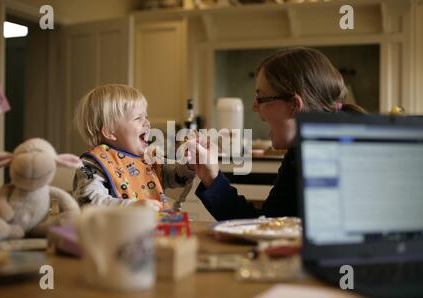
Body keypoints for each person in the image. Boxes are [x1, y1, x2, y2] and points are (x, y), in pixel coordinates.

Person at [192, 47, 367, 220]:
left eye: (261, 98)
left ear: (294, 105)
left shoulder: (330, 156)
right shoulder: (301, 150)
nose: (254, 107)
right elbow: (268, 225)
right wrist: (212, 177)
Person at [72, 84, 195, 212]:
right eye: (138, 118)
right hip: (117, 230)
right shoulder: (93, 164)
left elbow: (176, 177)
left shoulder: (149, 158)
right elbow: (88, 202)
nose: (147, 123)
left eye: (146, 117)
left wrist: (189, 165)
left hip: (155, 229)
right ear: (110, 132)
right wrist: (131, 207)